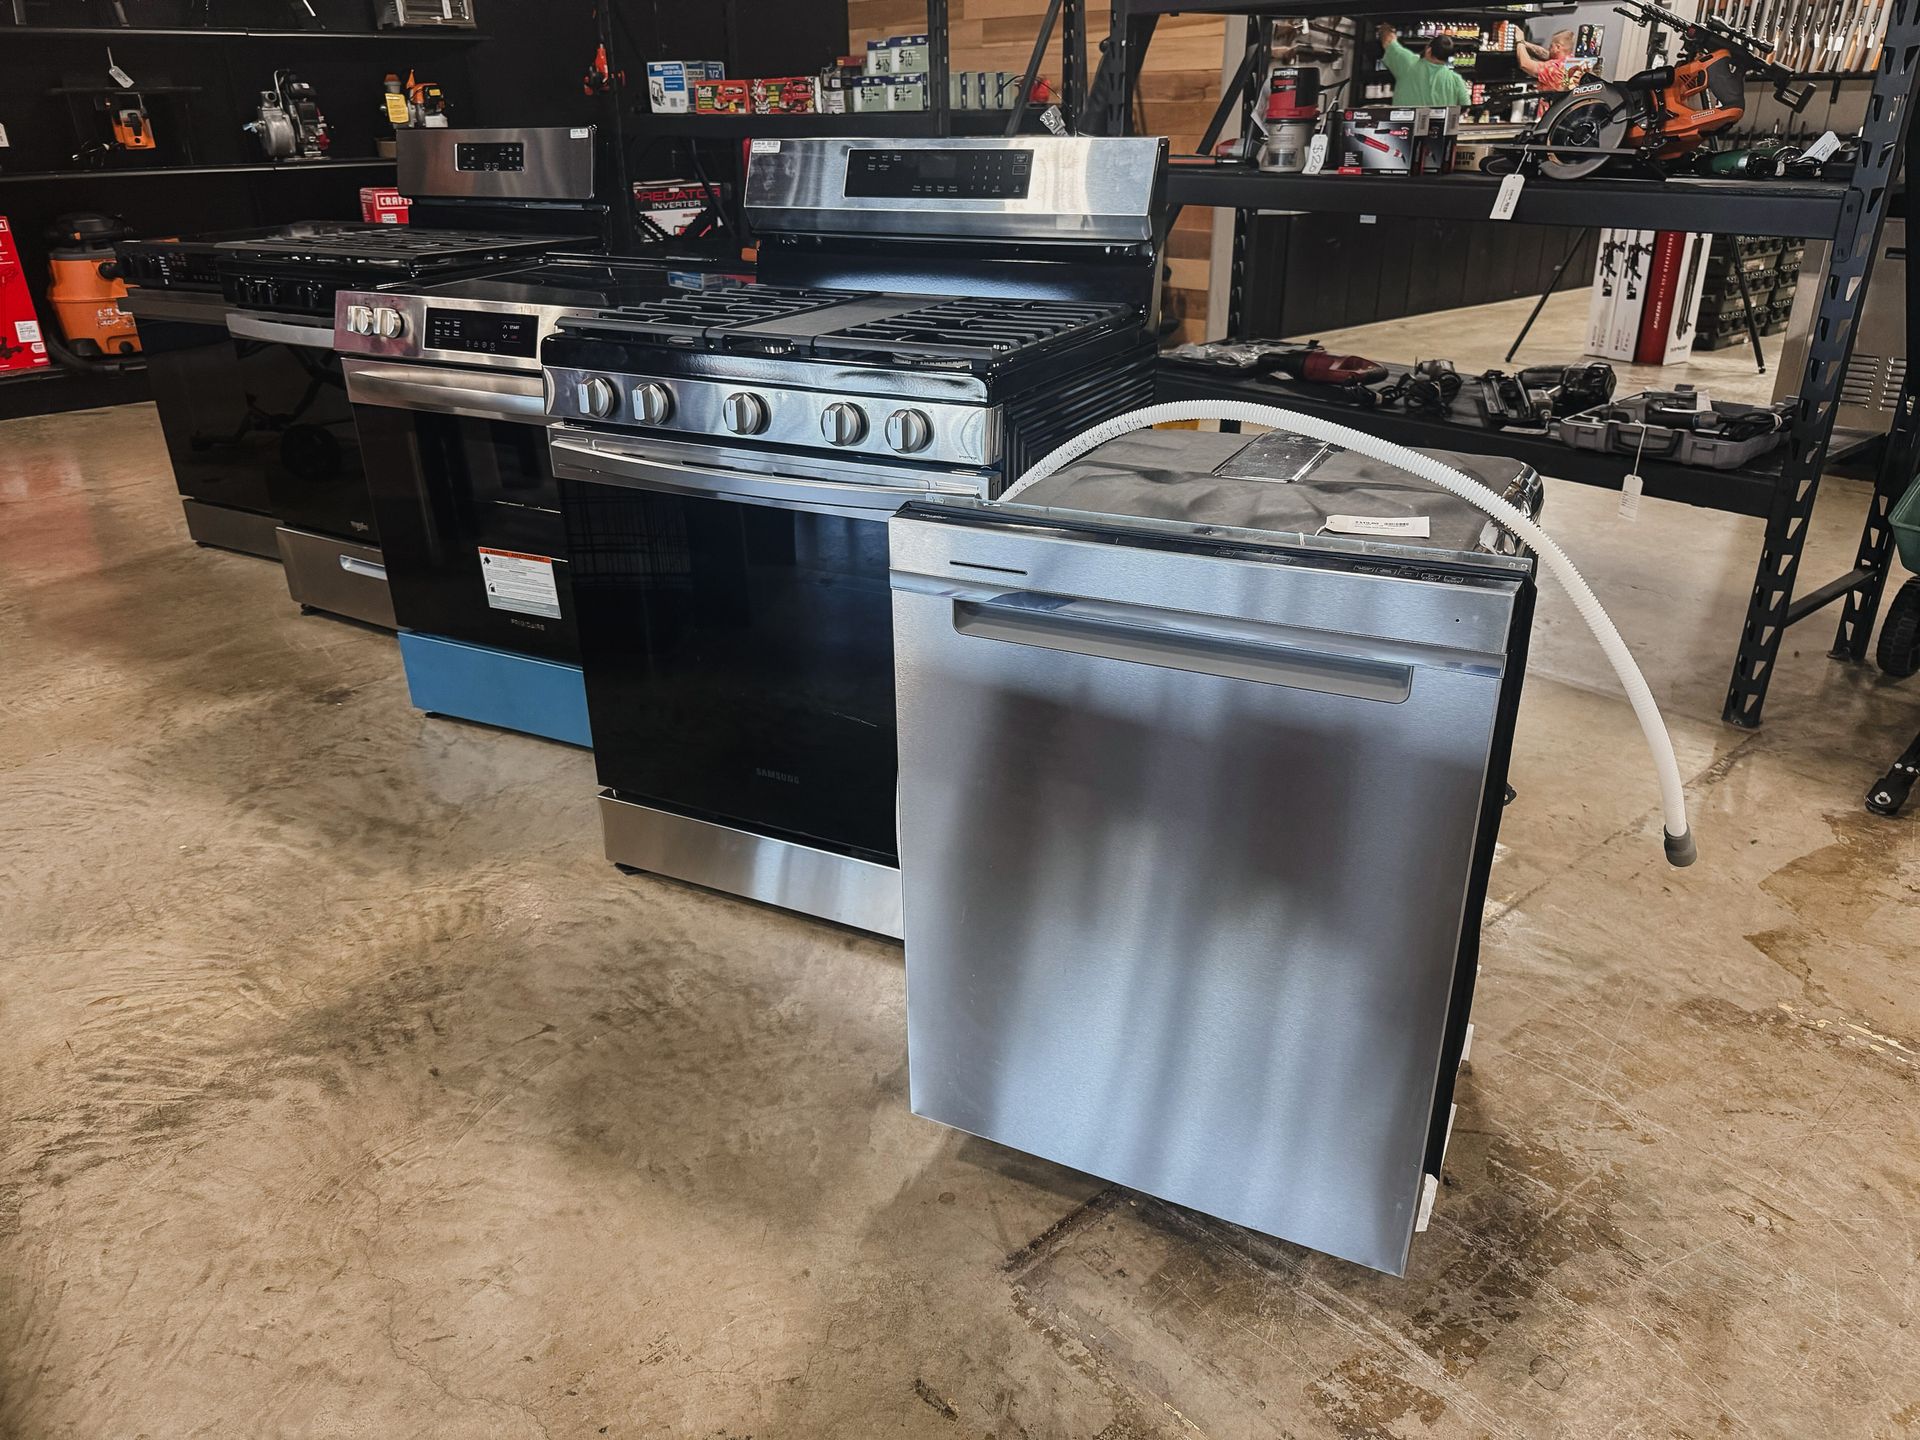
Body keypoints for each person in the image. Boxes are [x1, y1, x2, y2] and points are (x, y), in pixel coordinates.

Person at [1376, 23, 1473, 108]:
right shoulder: (1456, 80)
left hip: (1406, 122)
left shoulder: (1408, 63)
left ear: (1428, 50)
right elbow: (1465, 106)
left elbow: (1388, 41)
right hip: (1439, 124)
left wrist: (1385, 28)